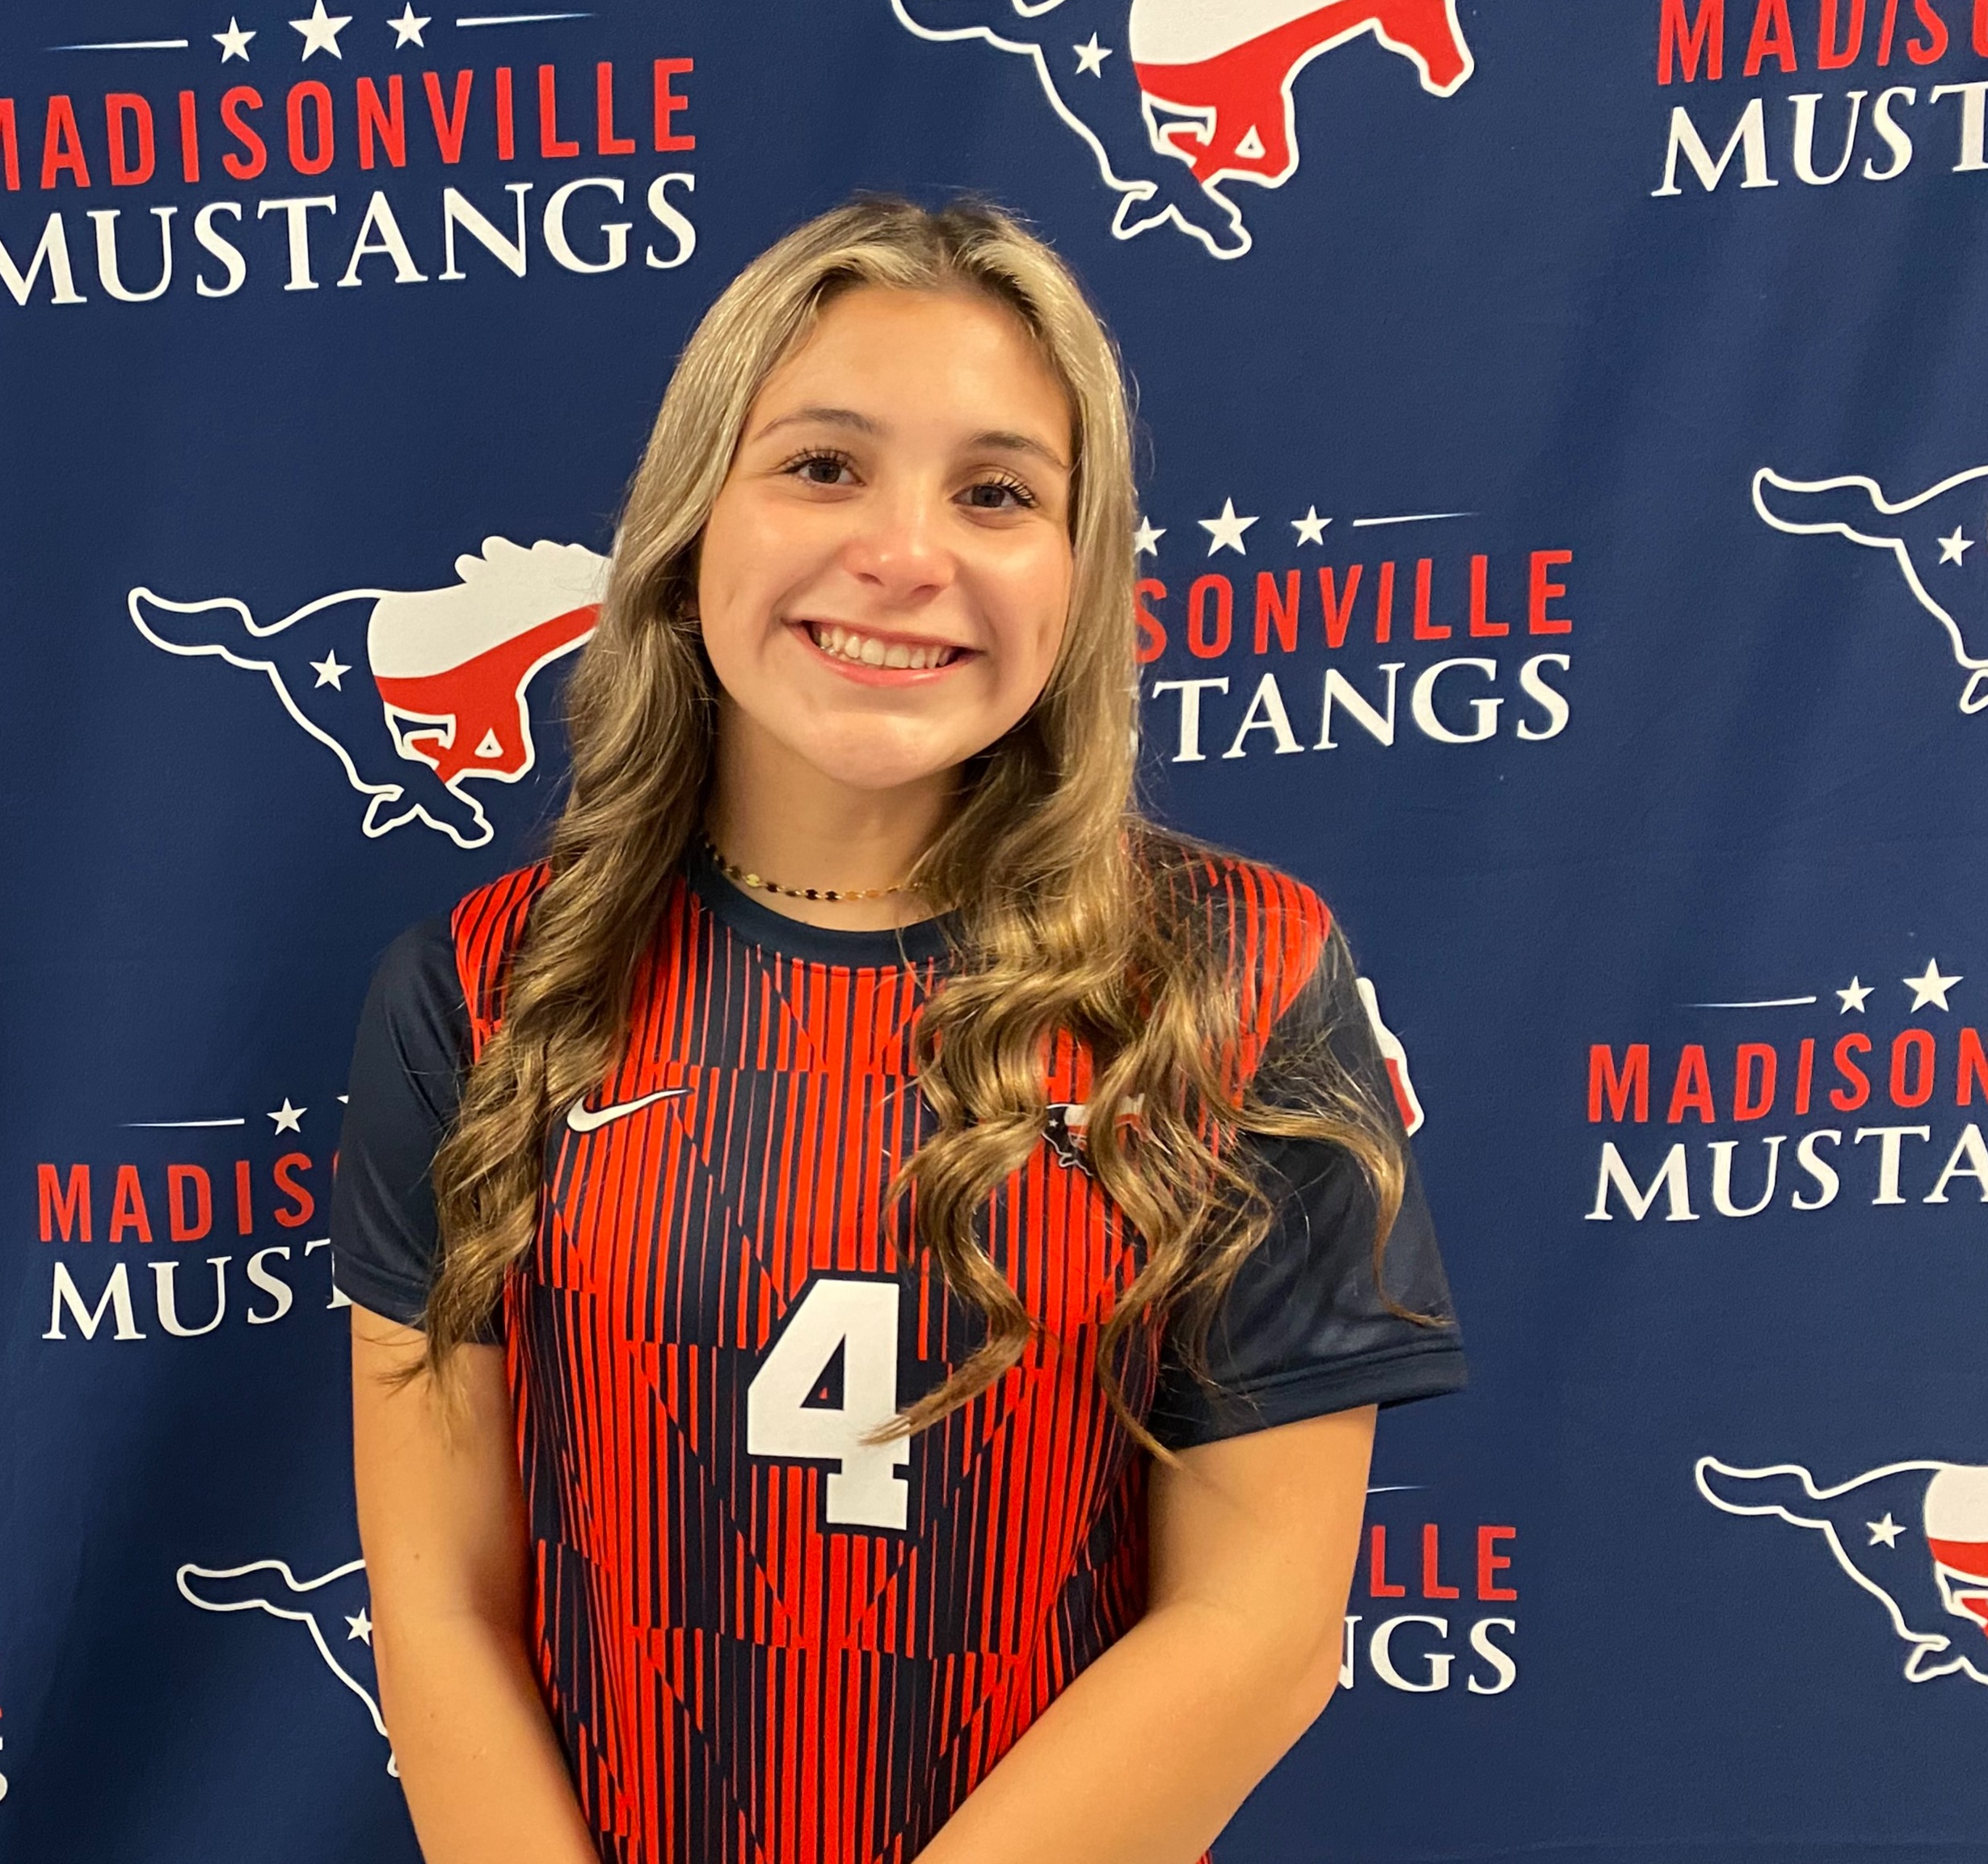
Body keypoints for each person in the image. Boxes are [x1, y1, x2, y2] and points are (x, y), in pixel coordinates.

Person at [333, 196, 1464, 1864]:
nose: (905, 554)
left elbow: (1260, 1627)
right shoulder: (486, 980)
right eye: (822, 465)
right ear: (688, 520)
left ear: (1078, 575)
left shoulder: (1240, 974)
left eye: (996, 493)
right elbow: (438, 1598)